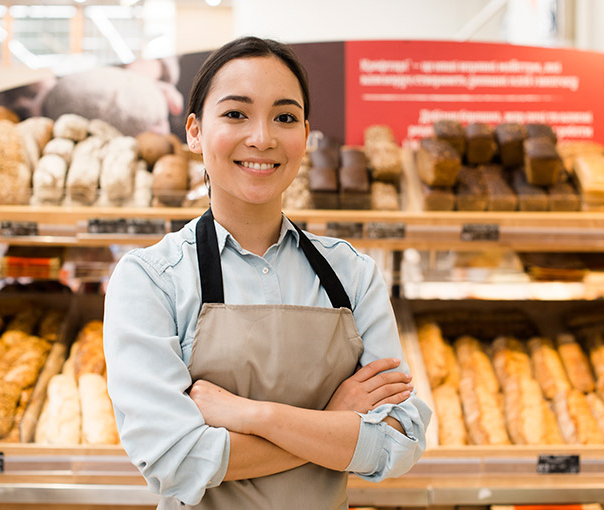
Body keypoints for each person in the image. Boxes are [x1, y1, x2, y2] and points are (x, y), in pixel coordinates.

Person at [103, 36, 431, 510]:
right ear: (194, 131)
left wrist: (250, 415)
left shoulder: (353, 274)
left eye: (284, 117)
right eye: (236, 114)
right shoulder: (151, 279)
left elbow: (400, 444)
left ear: (305, 133)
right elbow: (176, 458)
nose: (263, 137)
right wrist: (333, 420)